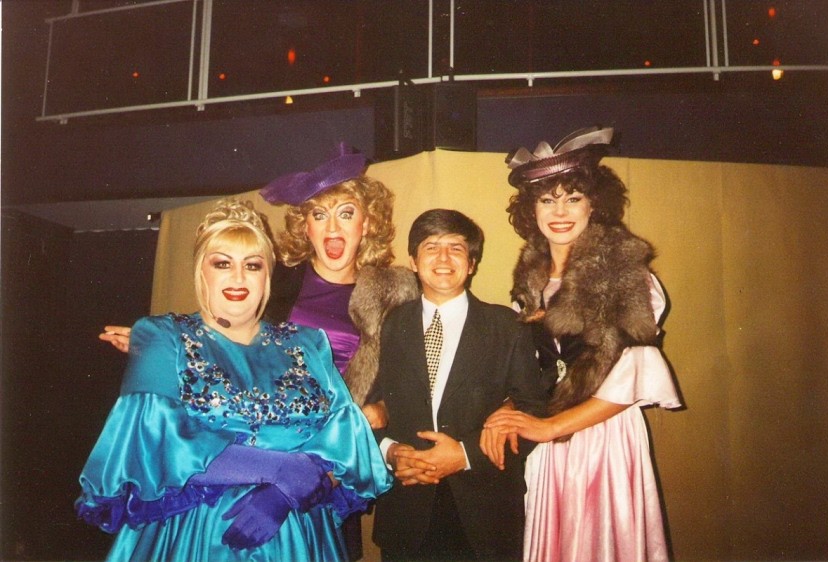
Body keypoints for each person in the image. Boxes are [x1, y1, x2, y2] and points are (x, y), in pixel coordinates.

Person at [100, 144, 420, 560]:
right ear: (305, 226)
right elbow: (222, 336)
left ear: (367, 222)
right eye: (319, 215)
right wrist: (163, 346)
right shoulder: (271, 278)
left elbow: (409, 381)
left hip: (327, 460)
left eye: (346, 213)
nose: (332, 228)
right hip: (236, 457)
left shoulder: (395, 295)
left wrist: (376, 414)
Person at [482, 126, 681, 562]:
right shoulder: (529, 284)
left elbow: (635, 374)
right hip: (549, 443)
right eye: (546, 200)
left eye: (573, 198)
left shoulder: (626, 274)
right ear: (531, 210)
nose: (560, 211)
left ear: (595, 205)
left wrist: (551, 428)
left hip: (602, 441)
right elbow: (540, 368)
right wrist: (511, 410)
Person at [370, 209, 548, 561]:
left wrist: (465, 455)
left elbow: (533, 410)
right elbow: (373, 405)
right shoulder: (391, 324)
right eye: (431, 247)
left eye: (456, 248)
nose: (443, 258)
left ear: (472, 264)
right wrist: (390, 452)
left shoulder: (506, 326)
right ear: (413, 261)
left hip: (484, 510)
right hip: (407, 505)